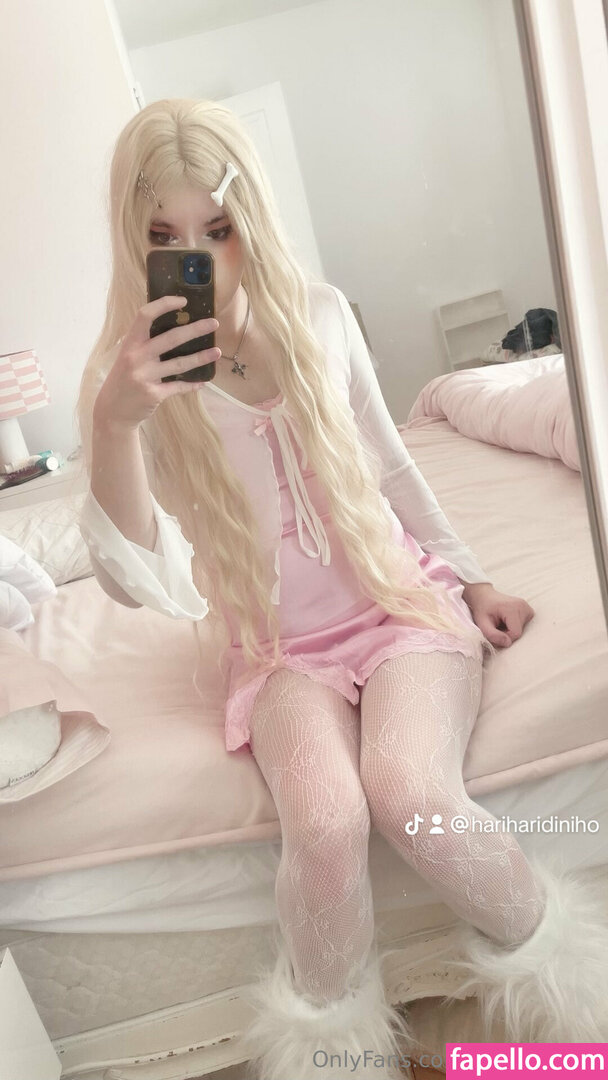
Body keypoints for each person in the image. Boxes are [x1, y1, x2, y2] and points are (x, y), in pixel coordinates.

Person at [76, 99, 608, 1077]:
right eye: (164, 239)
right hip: (279, 651)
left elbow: (393, 466)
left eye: (217, 230)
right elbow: (125, 578)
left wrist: (473, 576)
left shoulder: (318, 314)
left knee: (410, 793)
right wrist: (114, 425)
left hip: (399, 610)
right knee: (323, 825)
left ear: (251, 220)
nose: (196, 259)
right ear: (133, 241)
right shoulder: (127, 380)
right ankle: (335, 1063)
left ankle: (581, 1031)